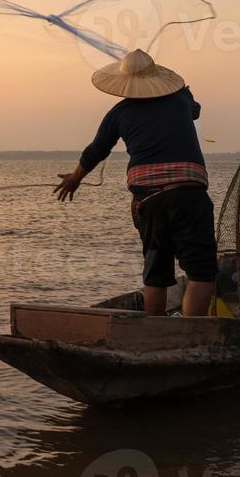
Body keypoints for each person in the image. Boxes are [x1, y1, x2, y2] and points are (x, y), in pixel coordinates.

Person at [53, 49, 217, 317]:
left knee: (156, 275)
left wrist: (74, 178)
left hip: (149, 203)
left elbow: (96, 150)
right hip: (188, 197)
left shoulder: (118, 113)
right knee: (201, 274)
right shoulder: (181, 101)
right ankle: (190, 336)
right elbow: (195, 111)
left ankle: (152, 335)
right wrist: (185, 92)